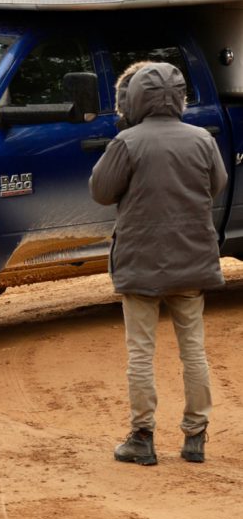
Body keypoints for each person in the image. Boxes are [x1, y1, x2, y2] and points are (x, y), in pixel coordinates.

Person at [90, 61, 227, 465]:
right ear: (179, 97)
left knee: (140, 353)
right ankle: (195, 437)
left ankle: (142, 437)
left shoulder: (128, 142)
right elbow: (216, 185)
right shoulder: (202, 139)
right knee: (194, 351)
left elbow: (101, 191)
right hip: (193, 259)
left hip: (140, 263)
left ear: (135, 99)